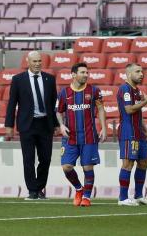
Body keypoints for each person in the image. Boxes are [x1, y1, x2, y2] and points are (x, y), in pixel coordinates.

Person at [5, 51, 59, 200]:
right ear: (27, 62)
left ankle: (40, 188)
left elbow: (52, 104)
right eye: (34, 61)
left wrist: (56, 124)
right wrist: (8, 125)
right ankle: (32, 190)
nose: (37, 64)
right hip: (27, 124)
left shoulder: (50, 79)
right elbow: (12, 103)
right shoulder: (18, 80)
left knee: (46, 159)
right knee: (28, 159)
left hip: (45, 124)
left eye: (39, 61)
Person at [57, 63, 106, 207]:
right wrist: (61, 125)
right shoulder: (64, 93)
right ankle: (79, 189)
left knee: (88, 168)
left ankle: (87, 197)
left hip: (89, 136)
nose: (86, 75)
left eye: (87, 72)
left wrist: (103, 128)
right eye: (82, 72)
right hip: (70, 137)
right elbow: (59, 111)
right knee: (66, 167)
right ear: (73, 74)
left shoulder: (94, 91)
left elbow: (101, 109)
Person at [116, 63, 147, 206]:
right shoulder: (125, 89)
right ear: (128, 74)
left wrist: (145, 130)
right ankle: (122, 198)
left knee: (143, 162)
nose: (141, 74)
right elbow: (129, 110)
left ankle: (138, 195)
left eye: (142, 71)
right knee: (128, 163)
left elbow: (138, 113)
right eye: (138, 71)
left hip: (139, 131)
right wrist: (145, 102)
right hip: (128, 131)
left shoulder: (137, 90)